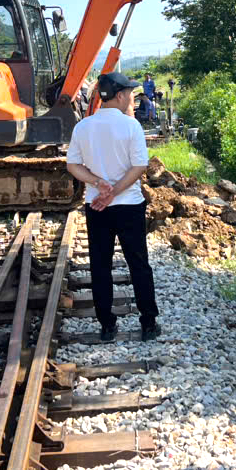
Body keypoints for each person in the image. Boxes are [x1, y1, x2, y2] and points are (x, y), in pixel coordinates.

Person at [66, 71, 160, 342]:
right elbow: (139, 166)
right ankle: (148, 323)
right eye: (130, 93)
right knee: (139, 263)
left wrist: (98, 184)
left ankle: (107, 325)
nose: (132, 98)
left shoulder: (83, 126)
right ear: (119, 96)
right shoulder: (131, 126)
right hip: (129, 205)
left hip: (97, 208)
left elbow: (73, 165)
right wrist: (115, 191)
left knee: (100, 265)